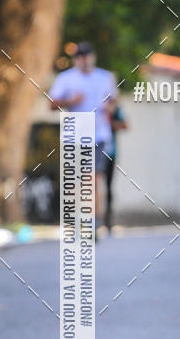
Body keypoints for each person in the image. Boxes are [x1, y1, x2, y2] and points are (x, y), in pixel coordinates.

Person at [49, 42, 118, 231]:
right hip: (74, 136)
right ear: (75, 59)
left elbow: (113, 100)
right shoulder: (66, 78)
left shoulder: (105, 77)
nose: (84, 60)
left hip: (97, 135)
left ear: (93, 57)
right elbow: (52, 104)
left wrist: (109, 108)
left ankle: (93, 222)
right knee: (73, 180)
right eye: (80, 56)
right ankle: (73, 222)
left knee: (91, 178)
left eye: (87, 56)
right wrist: (71, 101)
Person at [103, 104, 129, 233]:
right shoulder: (92, 104)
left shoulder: (116, 109)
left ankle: (108, 221)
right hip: (93, 152)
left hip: (110, 153)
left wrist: (108, 123)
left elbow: (125, 125)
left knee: (108, 187)